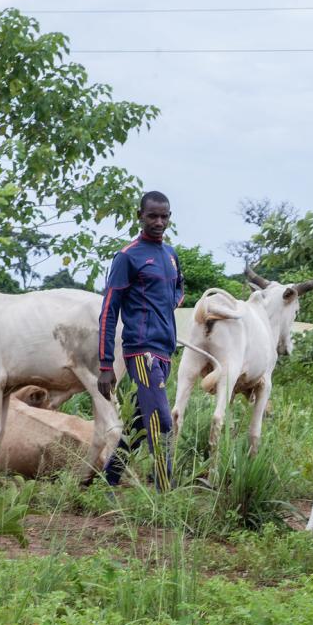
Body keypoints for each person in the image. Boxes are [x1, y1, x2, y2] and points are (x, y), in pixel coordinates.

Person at [97, 190, 184, 489]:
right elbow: (109, 311)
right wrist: (106, 364)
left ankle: (108, 481)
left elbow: (179, 288)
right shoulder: (127, 256)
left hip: (165, 351)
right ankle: (164, 492)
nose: (159, 222)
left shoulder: (170, 255)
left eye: (164, 216)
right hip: (141, 351)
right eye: (152, 216)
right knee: (162, 421)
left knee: (139, 423)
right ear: (140, 216)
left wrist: (169, 303)